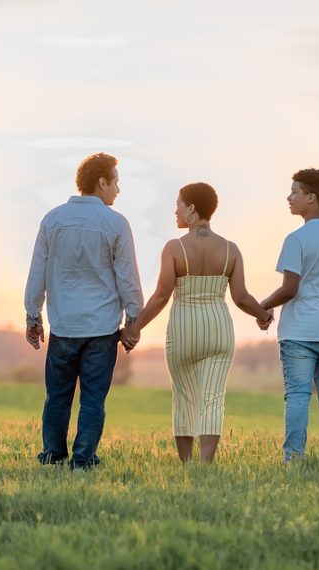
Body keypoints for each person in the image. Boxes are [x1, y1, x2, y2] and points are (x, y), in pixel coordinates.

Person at [123, 182, 273, 463]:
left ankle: (187, 464)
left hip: (183, 330)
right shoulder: (231, 249)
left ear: (191, 209)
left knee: (184, 398)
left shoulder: (174, 248)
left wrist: (134, 328)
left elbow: (161, 296)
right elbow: (241, 297)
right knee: (213, 398)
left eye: (178, 204)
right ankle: (205, 465)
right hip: (218, 330)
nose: (175, 211)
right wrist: (263, 315)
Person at [24, 152, 143, 470]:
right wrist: (133, 321)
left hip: (63, 326)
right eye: (116, 181)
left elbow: (37, 273)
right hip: (101, 329)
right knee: (93, 398)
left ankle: (53, 454)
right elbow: (128, 278)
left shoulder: (53, 219)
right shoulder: (116, 223)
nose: (118, 189)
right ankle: (84, 457)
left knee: (57, 396)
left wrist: (33, 316)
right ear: (102, 182)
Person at [259, 169, 319, 465]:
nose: (289, 198)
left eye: (294, 192)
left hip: (300, 331)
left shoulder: (297, 238)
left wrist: (263, 305)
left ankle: (294, 459)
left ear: (311, 197)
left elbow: (290, 288)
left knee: (298, 395)